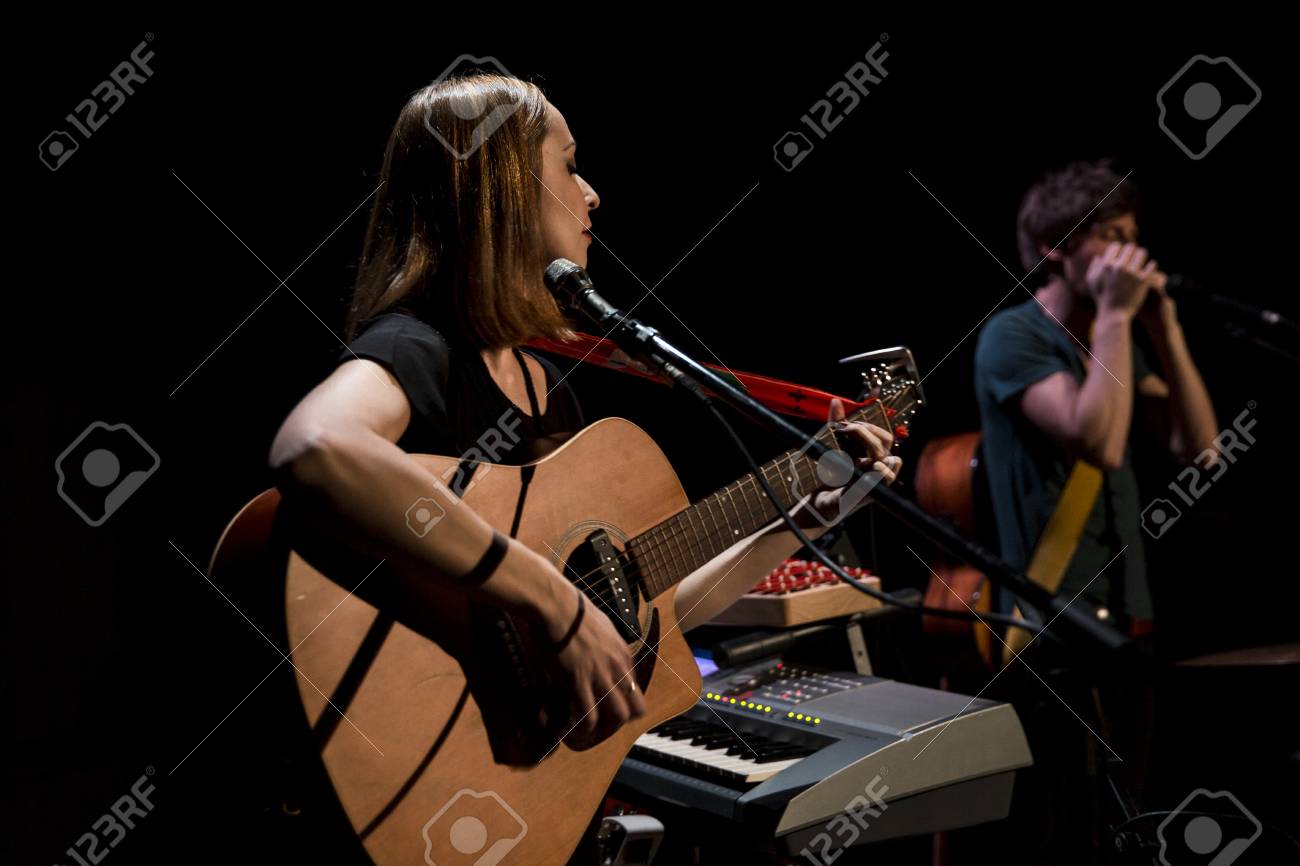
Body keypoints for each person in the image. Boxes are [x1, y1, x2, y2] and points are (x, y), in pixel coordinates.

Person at [265, 72, 900, 850]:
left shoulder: (542, 387)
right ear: (497, 189)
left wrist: (794, 520)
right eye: (569, 165)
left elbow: (643, 613)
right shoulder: (419, 348)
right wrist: (550, 602)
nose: (592, 194)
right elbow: (315, 447)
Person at [972, 159, 1220, 862]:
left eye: (1132, 234)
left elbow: (1202, 450)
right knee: (1064, 834)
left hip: (1126, 619)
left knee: (1128, 827)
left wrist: (1164, 328)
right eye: (1110, 235)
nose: (1131, 254)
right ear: (1056, 247)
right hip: (1050, 630)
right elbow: (1099, 442)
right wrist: (1116, 314)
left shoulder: (1114, 340)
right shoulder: (1014, 338)